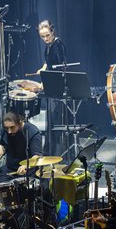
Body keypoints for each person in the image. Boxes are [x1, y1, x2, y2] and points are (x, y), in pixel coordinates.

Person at [36, 20, 67, 157]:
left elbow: (61, 67)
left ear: (53, 32)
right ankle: (49, 152)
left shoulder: (58, 45)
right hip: (51, 87)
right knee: (51, 120)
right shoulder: (48, 45)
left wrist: (46, 78)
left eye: (47, 35)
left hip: (58, 88)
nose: (45, 39)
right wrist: (43, 68)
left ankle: (58, 154)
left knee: (56, 121)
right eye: (42, 36)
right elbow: (48, 62)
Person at [0, 111, 43, 183]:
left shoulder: (33, 132)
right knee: (1, 188)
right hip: (9, 169)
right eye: (7, 128)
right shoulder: (7, 130)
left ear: (20, 123)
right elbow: (2, 145)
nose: (9, 132)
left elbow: (36, 156)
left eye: (12, 127)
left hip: (27, 171)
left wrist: (26, 165)